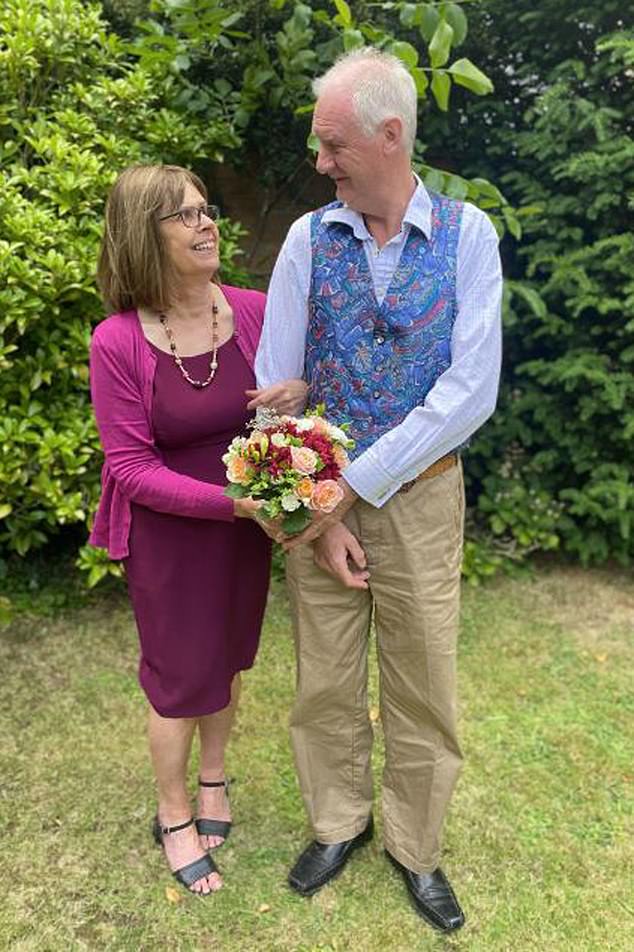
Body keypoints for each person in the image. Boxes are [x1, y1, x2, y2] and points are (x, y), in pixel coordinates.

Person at [255, 49, 502, 932]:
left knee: (425, 677)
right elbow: (275, 375)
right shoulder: (305, 240)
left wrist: (349, 490)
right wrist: (318, 515)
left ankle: (416, 846)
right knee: (323, 675)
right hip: (318, 500)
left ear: (389, 136)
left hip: (423, 499)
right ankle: (335, 823)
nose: (320, 164)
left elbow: (470, 391)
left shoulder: (470, 238)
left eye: (332, 145)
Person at [90, 164, 305, 896]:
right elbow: (129, 468)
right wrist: (235, 506)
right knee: (179, 680)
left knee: (230, 660)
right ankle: (174, 812)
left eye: (206, 210)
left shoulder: (251, 308)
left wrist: (297, 393)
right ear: (142, 235)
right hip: (170, 537)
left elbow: (285, 407)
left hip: (243, 527)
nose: (206, 223)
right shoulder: (116, 341)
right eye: (183, 216)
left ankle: (215, 780)